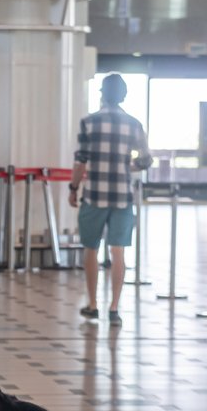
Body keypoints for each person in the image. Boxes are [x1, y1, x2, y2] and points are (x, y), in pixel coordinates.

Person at [69, 74, 153, 326]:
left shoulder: (89, 123)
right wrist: (129, 166)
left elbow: (81, 160)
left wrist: (73, 187)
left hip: (94, 194)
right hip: (122, 195)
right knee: (119, 252)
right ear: (124, 96)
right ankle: (114, 308)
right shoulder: (133, 124)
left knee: (91, 249)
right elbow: (147, 159)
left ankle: (93, 304)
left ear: (101, 93)